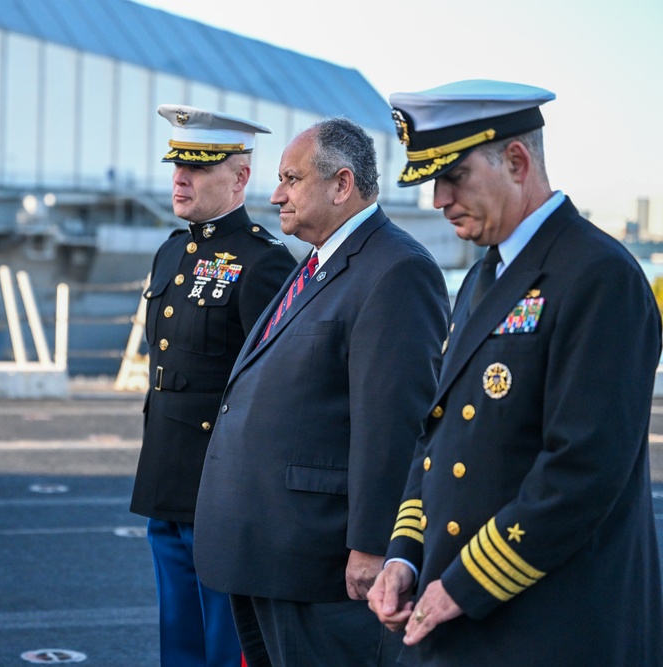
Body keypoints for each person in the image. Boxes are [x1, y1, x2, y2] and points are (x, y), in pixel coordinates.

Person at [368, 79, 663, 666]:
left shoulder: (599, 276)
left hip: (548, 624)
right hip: (458, 610)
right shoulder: (485, 276)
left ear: (517, 160)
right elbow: (440, 437)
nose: (437, 199)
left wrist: (464, 585)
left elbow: (583, 469)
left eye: (453, 177)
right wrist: (405, 553)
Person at [192, 117, 450, 666]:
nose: (276, 194)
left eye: (291, 178)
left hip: (322, 561)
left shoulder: (396, 271)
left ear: (341, 184)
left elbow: (394, 423)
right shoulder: (315, 263)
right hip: (269, 551)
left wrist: (374, 543)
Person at [130, 104, 297, 667]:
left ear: (241, 177)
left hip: (221, 491)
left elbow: (271, 393)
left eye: (198, 166)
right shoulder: (171, 252)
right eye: (178, 164)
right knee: (177, 641)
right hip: (165, 477)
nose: (181, 177)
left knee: (227, 649)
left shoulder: (263, 262)